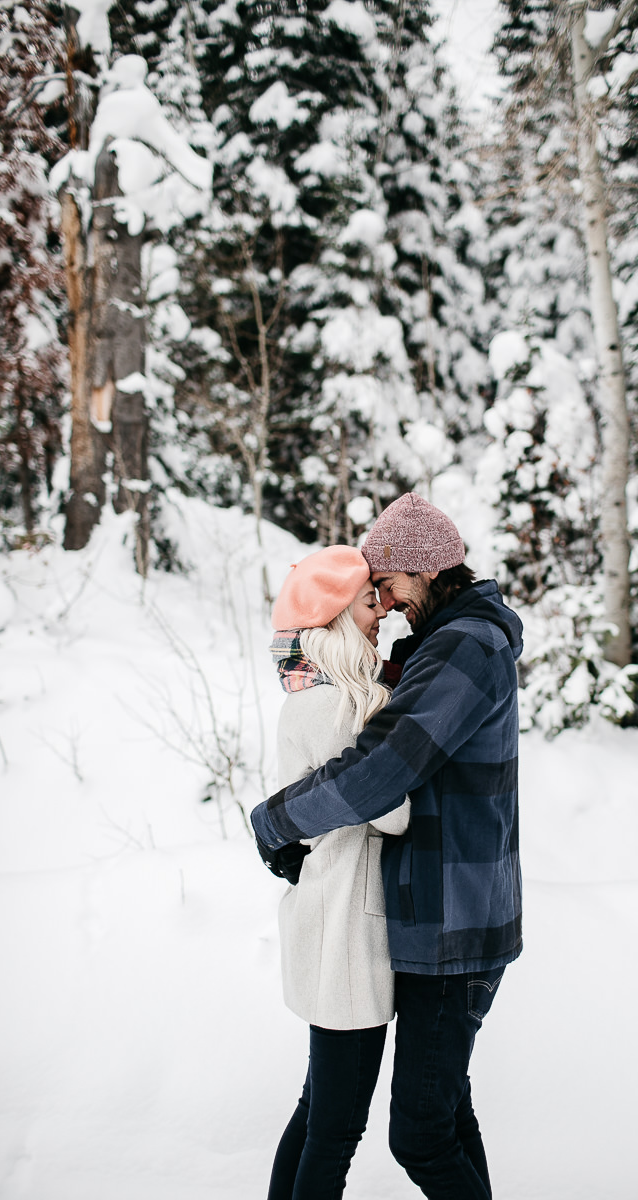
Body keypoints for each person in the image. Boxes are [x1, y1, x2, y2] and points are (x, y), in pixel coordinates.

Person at [252, 493, 524, 1200]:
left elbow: (383, 770)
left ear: (426, 571)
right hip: (436, 915)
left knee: (422, 1130)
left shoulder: (467, 644)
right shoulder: (443, 642)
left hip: (451, 921)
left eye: (392, 583)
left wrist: (277, 819)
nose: (391, 601)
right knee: (442, 1113)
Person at [263, 544, 411, 1200]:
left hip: (332, 922)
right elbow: (395, 813)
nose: (381, 612)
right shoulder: (339, 706)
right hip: (349, 936)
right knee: (336, 1127)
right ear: (333, 612)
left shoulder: (316, 695)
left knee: (317, 1112)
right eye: (368, 599)